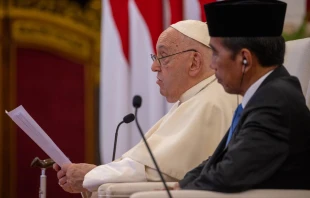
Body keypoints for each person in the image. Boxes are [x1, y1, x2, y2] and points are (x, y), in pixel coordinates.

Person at [54, 20, 238, 194]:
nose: (154, 67)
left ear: (194, 62)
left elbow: (152, 171)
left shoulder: (212, 102)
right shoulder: (196, 98)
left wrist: (89, 176)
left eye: (163, 57)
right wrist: (91, 178)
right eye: (155, 57)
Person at [176, 0, 310, 192]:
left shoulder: (275, 101)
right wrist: (180, 185)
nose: (212, 65)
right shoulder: (265, 95)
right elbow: (220, 159)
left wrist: (179, 192)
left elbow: (228, 175)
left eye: (215, 53)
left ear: (245, 59)